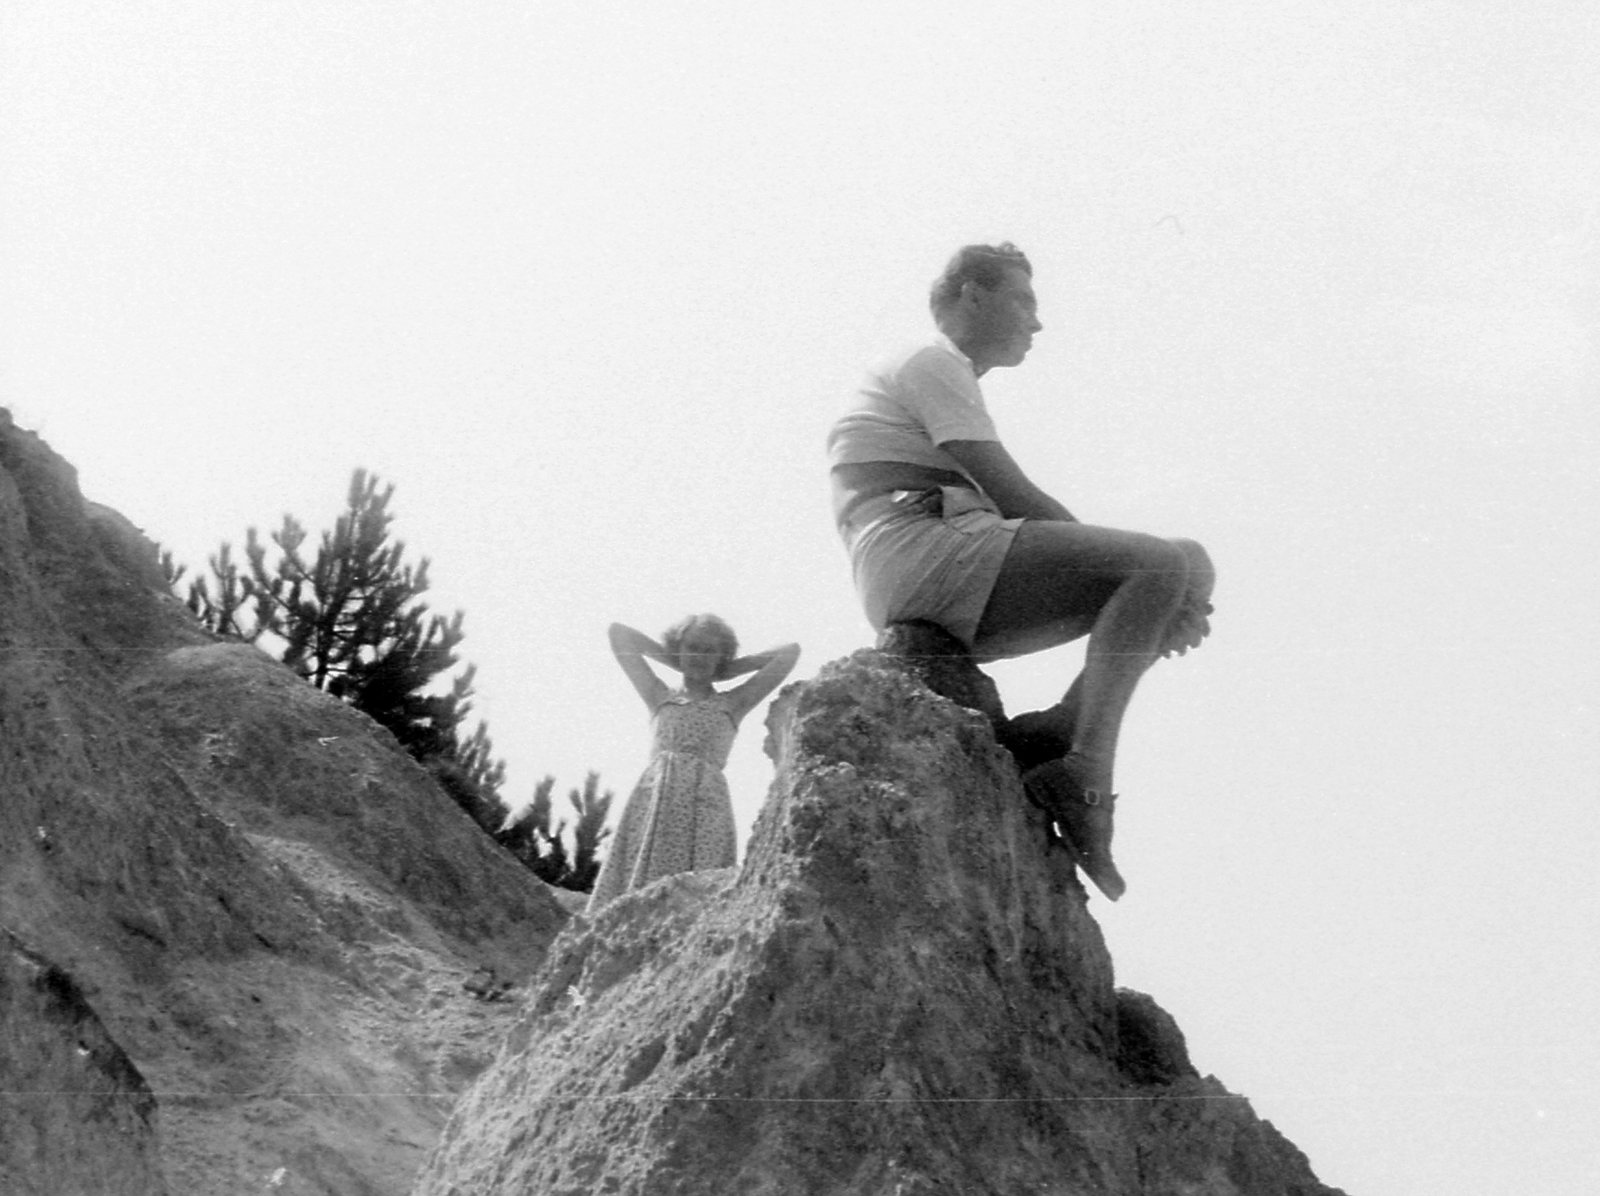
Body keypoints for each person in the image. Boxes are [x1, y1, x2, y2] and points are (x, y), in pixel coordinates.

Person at [827, 242, 1214, 900]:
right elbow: (1012, 493)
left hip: (942, 560)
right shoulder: (931, 360)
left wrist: (1160, 589)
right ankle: (1085, 770)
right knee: (1160, 564)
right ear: (972, 294)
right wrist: (1151, 583)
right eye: (1022, 300)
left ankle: (1065, 726)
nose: (1035, 322)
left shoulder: (942, 373)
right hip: (920, 547)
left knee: (1184, 563)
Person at [586, 616, 800, 911]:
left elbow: (789, 653)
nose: (700, 655)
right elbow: (619, 635)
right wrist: (677, 660)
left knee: (700, 889)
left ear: (721, 656)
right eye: (693, 647)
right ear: (679, 648)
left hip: (706, 804)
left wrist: (726, 669)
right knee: (640, 883)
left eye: (710, 650)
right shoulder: (658, 694)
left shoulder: (734, 703)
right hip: (655, 800)